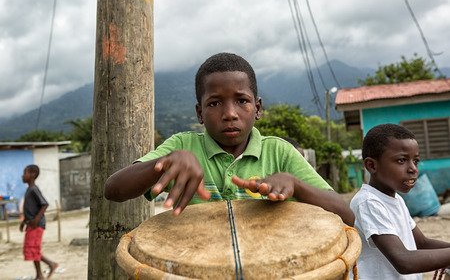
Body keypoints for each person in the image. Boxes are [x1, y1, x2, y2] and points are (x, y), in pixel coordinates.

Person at [104, 52, 354, 226]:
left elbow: (347, 216)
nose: (230, 114)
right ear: (199, 113)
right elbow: (113, 190)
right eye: (214, 103)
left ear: (257, 108)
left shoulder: (280, 152)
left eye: (242, 101)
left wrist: (296, 185)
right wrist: (166, 162)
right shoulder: (183, 146)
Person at [350, 123, 450, 279]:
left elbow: (421, 243)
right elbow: (403, 261)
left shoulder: (397, 200)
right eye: (402, 161)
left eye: (415, 161)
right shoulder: (368, 202)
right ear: (372, 165)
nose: (413, 169)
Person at [20, 164, 58, 280]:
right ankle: (48, 267)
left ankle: (40, 274)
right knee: (30, 249)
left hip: (37, 225)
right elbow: (30, 209)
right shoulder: (29, 189)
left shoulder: (34, 189)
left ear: (32, 175)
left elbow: (44, 204)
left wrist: (36, 219)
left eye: (25, 173)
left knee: (33, 249)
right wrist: (23, 222)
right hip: (31, 224)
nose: (22, 176)